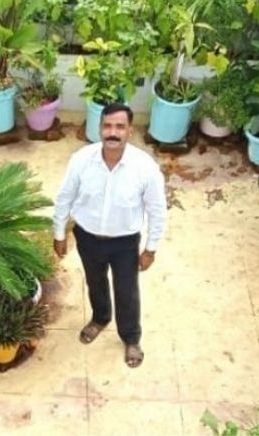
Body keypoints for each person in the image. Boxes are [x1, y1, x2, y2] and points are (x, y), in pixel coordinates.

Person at [52, 103, 168, 368]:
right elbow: (65, 198)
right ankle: (100, 318)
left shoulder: (144, 167)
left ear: (130, 131)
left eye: (119, 126)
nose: (112, 132)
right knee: (95, 281)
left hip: (124, 243)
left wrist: (151, 248)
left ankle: (131, 338)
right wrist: (59, 233)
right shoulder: (82, 160)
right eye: (107, 126)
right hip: (87, 237)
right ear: (99, 128)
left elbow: (157, 210)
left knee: (127, 290)